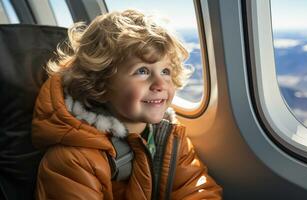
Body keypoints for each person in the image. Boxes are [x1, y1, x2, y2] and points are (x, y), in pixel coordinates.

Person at [32, 9, 222, 200]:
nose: (160, 84)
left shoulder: (169, 138)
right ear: (101, 82)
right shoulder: (73, 159)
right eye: (142, 71)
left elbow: (196, 188)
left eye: (165, 71)